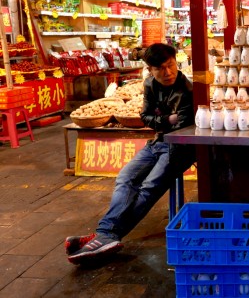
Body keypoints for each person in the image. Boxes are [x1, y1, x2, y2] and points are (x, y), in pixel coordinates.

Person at [65, 43, 195, 265]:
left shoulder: (187, 88)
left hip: (180, 147)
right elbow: (145, 117)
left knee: (148, 188)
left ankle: (107, 234)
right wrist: (167, 119)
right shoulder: (150, 84)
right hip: (157, 142)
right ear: (150, 70)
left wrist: (163, 121)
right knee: (125, 178)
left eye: (171, 65)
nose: (168, 72)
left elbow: (181, 124)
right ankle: (105, 234)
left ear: (176, 62)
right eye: (160, 68)